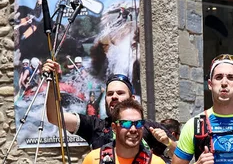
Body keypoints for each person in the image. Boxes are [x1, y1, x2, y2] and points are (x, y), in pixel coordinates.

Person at [41, 59, 175, 156]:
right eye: (110, 94)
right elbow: (55, 117)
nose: (114, 97)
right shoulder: (95, 126)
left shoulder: (147, 126)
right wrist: (53, 83)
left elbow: (182, 154)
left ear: (132, 99)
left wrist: (169, 143)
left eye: (120, 93)